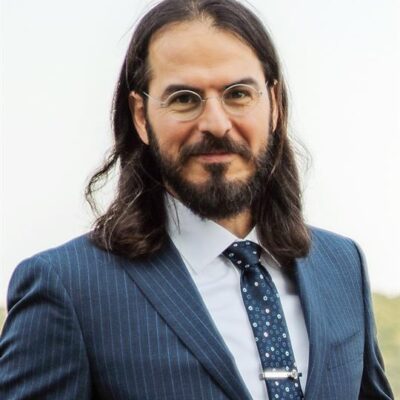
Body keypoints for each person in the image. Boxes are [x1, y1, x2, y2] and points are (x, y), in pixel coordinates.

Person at [0, 0, 394, 399]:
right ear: (141, 115)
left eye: (238, 94)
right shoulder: (68, 287)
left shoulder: (342, 265)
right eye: (185, 99)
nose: (216, 124)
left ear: (274, 104)